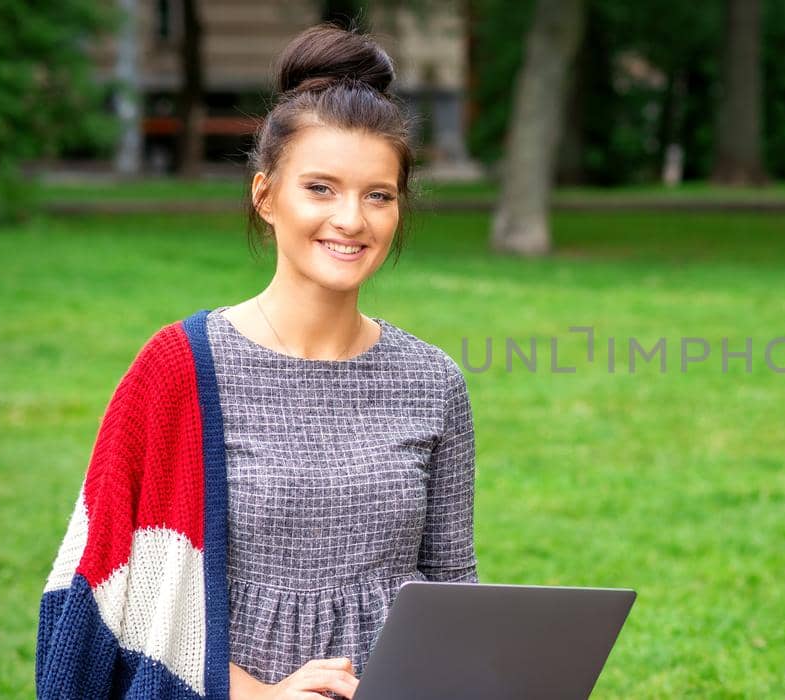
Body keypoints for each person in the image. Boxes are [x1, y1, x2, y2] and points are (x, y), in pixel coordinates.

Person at [36, 24, 477, 700]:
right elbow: (111, 592)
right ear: (266, 194)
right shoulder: (180, 367)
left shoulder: (433, 380)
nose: (352, 220)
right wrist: (260, 695)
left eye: (378, 194)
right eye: (321, 188)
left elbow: (454, 591)